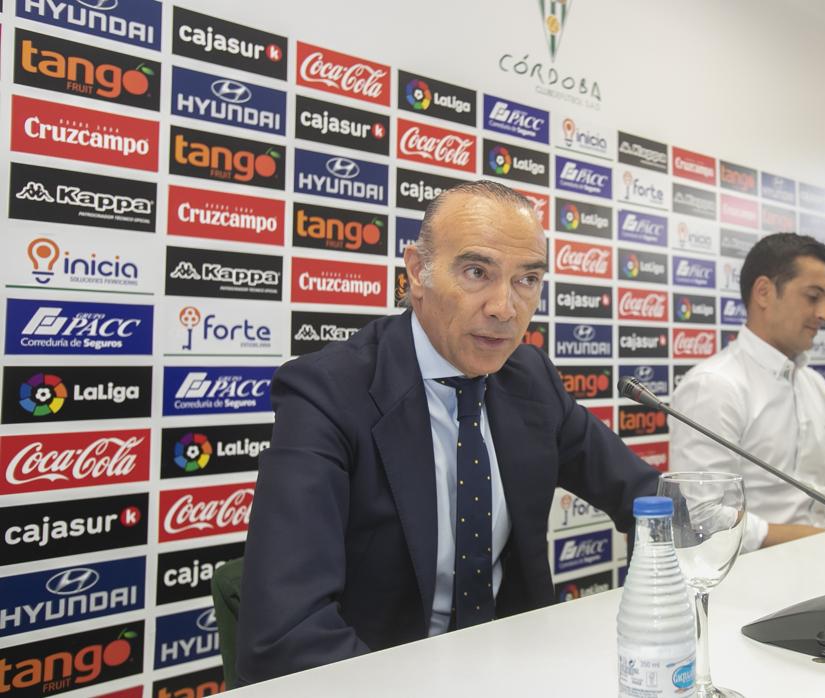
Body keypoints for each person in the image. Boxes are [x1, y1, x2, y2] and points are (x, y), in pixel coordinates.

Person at [236, 182, 659, 684]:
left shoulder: (531, 379)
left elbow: (648, 498)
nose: (504, 307)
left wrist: (654, 618)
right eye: (477, 273)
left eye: (527, 279)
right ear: (417, 271)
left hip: (519, 673)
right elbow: (289, 635)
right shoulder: (326, 393)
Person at [668, 233, 825, 554]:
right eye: (813, 297)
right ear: (764, 292)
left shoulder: (813, 384)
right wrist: (811, 538)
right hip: (752, 583)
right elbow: (702, 517)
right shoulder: (714, 386)